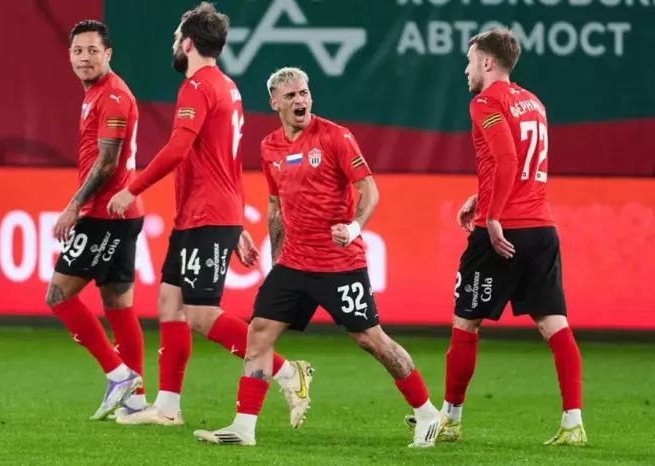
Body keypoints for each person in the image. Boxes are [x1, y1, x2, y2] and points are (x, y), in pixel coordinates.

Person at [192, 67, 444, 448]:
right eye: (291, 95)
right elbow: (275, 206)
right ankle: (243, 427)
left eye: (304, 93)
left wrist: (354, 229)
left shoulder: (335, 137)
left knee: (371, 339)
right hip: (294, 263)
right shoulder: (269, 147)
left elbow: (369, 190)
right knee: (259, 332)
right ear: (274, 103)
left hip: (339, 263)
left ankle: (427, 413)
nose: (301, 101)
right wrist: (276, 261)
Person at [107, 2, 312, 428]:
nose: (174, 43)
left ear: (187, 43)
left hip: (207, 214)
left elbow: (178, 150)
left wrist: (132, 189)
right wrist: (237, 224)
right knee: (169, 302)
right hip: (201, 214)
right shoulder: (227, 86)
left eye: (176, 37)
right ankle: (167, 408)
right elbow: (227, 161)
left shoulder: (197, 86)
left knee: (200, 313)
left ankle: (287, 372)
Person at [406, 28, 586, 446]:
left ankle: (451, 419)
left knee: (465, 322)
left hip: (505, 231)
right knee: (555, 324)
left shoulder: (485, 102)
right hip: (541, 227)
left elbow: (506, 158)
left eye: (470, 61)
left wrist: (492, 216)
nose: (466, 69)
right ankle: (573, 423)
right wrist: (482, 196)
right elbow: (521, 165)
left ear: (487, 62)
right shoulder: (534, 102)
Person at [46, 20, 145, 420]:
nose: (84, 58)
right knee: (118, 303)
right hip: (121, 213)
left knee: (58, 295)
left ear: (108, 54)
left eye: (92, 50)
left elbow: (107, 163)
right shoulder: (97, 93)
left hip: (105, 213)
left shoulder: (113, 96)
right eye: (77, 51)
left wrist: (74, 206)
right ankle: (135, 402)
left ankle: (119, 376)